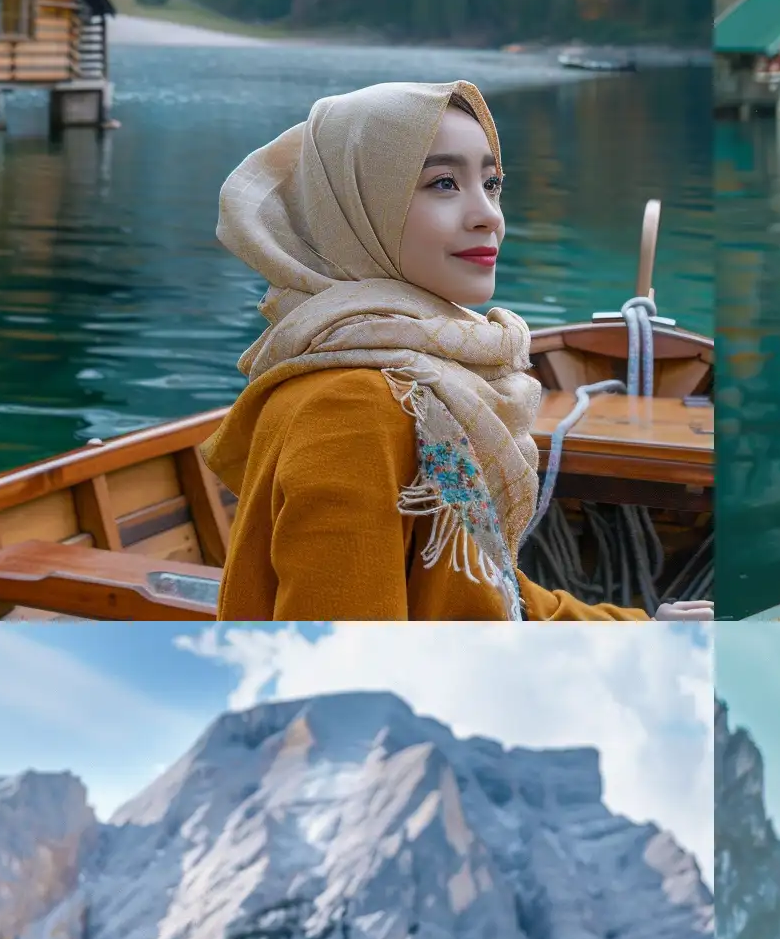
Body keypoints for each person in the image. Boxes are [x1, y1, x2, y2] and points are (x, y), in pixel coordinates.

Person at [203, 80, 703, 621]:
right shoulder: (355, 403)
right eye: (443, 183)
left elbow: (488, 591)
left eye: (491, 183)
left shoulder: (409, 374)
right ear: (354, 208)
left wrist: (645, 629)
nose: (487, 214)